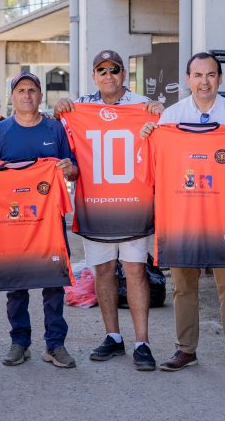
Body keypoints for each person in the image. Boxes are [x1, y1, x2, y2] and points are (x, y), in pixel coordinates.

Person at [140, 51, 225, 378]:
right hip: (182, 215)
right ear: (188, 79)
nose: (204, 81)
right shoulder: (170, 118)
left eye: (210, 75)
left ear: (220, 79)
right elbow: (151, 166)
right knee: (183, 285)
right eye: (197, 75)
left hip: (222, 215)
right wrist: (148, 140)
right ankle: (185, 349)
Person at [54, 49, 164, 371]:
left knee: (135, 271)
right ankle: (113, 336)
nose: (108, 75)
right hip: (96, 206)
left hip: (133, 204)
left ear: (123, 74)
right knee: (102, 271)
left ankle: (142, 342)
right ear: (94, 76)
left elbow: (163, 142)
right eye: (102, 70)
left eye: (114, 69)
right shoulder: (80, 107)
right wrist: (60, 109)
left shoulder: (142, 106)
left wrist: (159, 113)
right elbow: (66, 148)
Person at [0, 71, 79, 368]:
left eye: (32, 90)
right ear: (12, 96)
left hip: (48, 221)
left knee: (53, 284)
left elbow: (72, 170)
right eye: (21, 90)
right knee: (16, 284)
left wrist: (68, 167)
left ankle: (55, 345)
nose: (27, 96)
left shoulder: (55, 129)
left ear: (40, 95)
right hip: (12, 222)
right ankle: (20, 342)